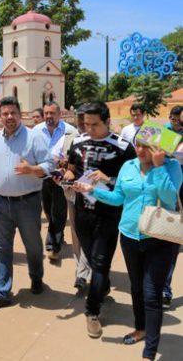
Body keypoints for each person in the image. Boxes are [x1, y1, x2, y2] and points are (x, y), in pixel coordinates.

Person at [74, 143, 182, 361]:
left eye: (146, 147)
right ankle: (141, 328)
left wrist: (159, 167)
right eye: (138, 145)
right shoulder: (129, 166)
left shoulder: (171, 167)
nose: (140, 151)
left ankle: (149, 353)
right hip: (130, 236)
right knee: (136, 288)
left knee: (152, 295)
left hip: (160, 239)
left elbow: (169, 198)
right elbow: (118, 198)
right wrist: (91, 190)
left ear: (159, 148)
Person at [63, 101, 136, 338]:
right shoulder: (78, 142)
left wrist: (109, 179)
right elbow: (72, 168)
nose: (89, 129)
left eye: (95, 125)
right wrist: (67, 176)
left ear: (107, 122)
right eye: (86, 124)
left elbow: (133, 182)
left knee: (101, 261)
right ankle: (101, 287)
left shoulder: (124, 148)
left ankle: (92, 311)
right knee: (94, 262)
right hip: (82, 211)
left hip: (109, 214)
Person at [0, 96, 54, 313]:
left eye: (13, 113)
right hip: (0, 202)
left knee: (33, 245)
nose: (9, 117)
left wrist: (33, 169)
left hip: (27, 202)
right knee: (0, 248)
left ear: (20, 114)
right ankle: (0, 292)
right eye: (5, 113)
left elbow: (50, 164)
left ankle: (36, 277)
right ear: (0, 116)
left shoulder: (34, 137)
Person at [34, 101, 78, 260]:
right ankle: (58, 235)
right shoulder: (36, 131)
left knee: (58, 211)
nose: (48, 116)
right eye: (46, 113)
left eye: (52, 113)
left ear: (60, 114)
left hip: (61, 177)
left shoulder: (71, 131)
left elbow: (76, 154)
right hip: (43, 176)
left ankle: (53, 246)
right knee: (47, 209)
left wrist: (67, 163)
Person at [59, 104, 92, 290]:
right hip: (73, 193)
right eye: (78, 117)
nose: (81, 121)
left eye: (84, 118)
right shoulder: (69, 138)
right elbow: (66, 166)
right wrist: (64, 172)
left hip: (96, 195)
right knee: (77, 233)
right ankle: (81, 272)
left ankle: (91, 271)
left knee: (92, 233)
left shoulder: (103, 140)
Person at [162, 105, 183, 308]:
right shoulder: (165, 133)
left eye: (178, 119)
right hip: (167, 189)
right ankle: (163, 289)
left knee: (173, 240)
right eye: (173, 118)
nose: (175, 122)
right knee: (167, 238)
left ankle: (164, 289)